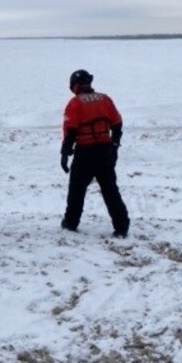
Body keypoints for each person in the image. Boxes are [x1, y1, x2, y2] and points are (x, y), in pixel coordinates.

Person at [60, 69, 129, 238]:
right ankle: (122, 226)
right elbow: (117, 124)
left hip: (85, 153)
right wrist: (114, 145)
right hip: (105, 151)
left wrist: (65, 153)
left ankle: (71, 222)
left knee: (77, 189)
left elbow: (71, 131)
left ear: (75, 86)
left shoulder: (75, 103)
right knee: (110, 189)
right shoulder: (105, 99)